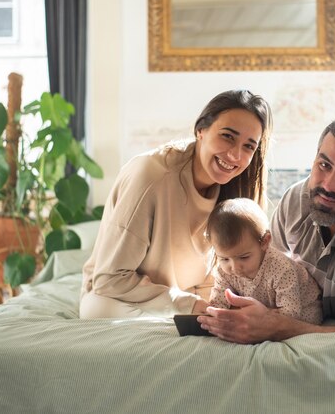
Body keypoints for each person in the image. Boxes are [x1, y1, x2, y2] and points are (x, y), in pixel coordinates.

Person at [199, 114, 335, 343]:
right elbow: (267, 266)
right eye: (324, 165)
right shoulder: (298, 198)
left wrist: (277, 327)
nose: (329, 185)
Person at [79, 89, 272, 319]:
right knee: (106, 315)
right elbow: (109, 280)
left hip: (191, 299)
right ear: (201, 130)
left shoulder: (240, 192)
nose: (235, 155)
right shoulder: (150, 177)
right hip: (117, 298)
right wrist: (186, 304)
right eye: (228, 136)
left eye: (249, 146)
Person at [206, 198, 322, 325]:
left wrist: (260, 315)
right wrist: (214, 314)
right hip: (265, 310)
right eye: (224, 259)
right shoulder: (223, 271)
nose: (234, 267)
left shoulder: (282, 269)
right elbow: (218, 302)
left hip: (303, 314)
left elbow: (291, 314)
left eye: (244, 257)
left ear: (265, 242)